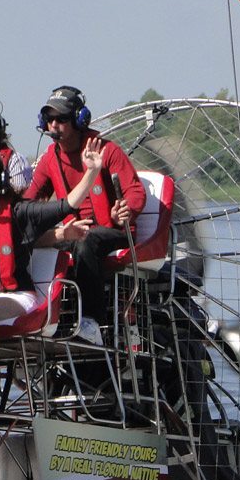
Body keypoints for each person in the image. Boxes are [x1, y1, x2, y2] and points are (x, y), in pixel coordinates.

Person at [0, 147, 107, 411]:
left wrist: (92, 171)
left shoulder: (20, 212)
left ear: (1, 179)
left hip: (16, 297)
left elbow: (66, 204)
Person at [24, 85, 147, 318]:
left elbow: (135, 192)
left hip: (113, 233)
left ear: (79, 119)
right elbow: (30, 199)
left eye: (61, 119)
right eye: (49, 118)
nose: (53, 125)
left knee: (87, 241)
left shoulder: (107, 150)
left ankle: (91, 320)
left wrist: (126, 209)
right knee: (28, 239)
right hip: (74, 233)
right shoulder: (50, 159)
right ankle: (39, 316)